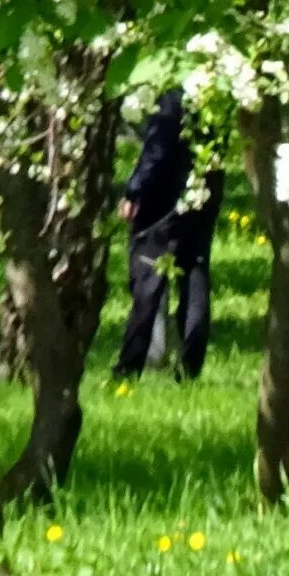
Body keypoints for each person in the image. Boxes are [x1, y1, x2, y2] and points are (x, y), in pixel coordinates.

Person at [110, 87, 216, 380]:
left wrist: (134, 191)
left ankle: (130, 366)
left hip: (164, 203)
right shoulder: (216, 96)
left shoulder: (173, 96)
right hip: (204, 195)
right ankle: (190, 365)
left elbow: (156, 150)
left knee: (147, 283)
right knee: (195, 275)